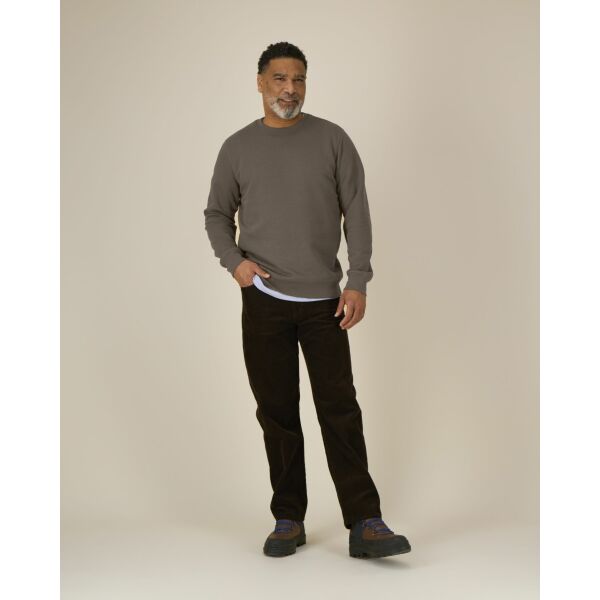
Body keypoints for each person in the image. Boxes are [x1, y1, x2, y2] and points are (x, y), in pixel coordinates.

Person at [204, 41, 411, 559]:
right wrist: (236, 263)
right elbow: (216, 215)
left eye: (298, 79)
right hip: (264, 298)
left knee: (339, 409)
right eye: (279, 79)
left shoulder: (332, 139)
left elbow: (356, 210)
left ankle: (365, 522)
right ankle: (288, 518)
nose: (290, 89)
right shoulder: (237, 148)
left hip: (325, 301)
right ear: (260, 82)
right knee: (276, 411)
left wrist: (358, 279)